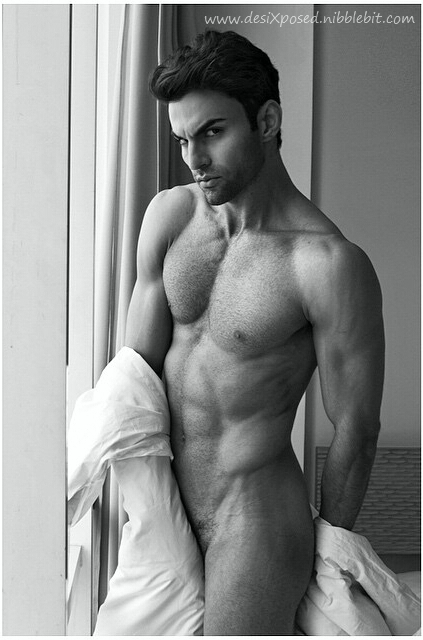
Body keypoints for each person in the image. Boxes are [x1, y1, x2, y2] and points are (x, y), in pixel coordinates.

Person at [124, 30, 385, 635]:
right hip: (163, 502)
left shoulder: (327, 264)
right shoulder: (170, 217)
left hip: (255, 521)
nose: (194, 158)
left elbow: (357, 429)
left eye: (212, 132)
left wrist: (329, 557)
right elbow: (136, 373)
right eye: (183, 139)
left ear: (266, 121)